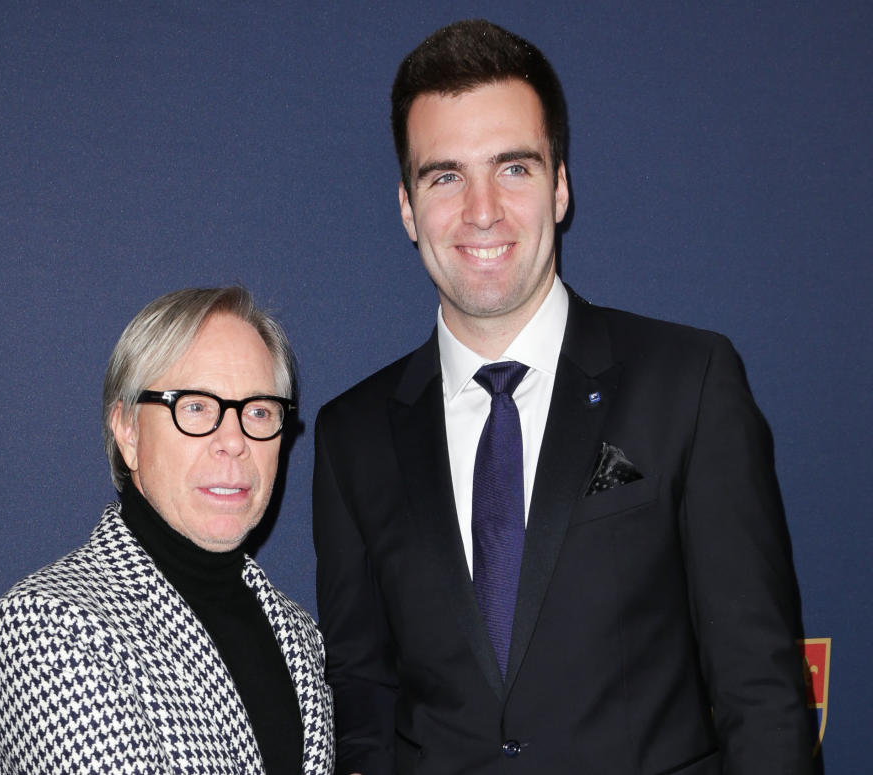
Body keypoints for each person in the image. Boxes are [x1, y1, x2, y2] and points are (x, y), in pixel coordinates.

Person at [312, 19, 813, 775]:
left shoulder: (690, 381)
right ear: (409, 209)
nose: (482, 210)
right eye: (445, 175)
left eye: (513, 168)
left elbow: (761, 690)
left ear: (561, 186)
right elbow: (364, 697)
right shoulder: (352, 434)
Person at [0, 287, 334, 775]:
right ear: (127, 430)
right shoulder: (48, 627)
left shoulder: (300, 634)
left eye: (258, 411)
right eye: (195, 407)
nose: (233, 442)